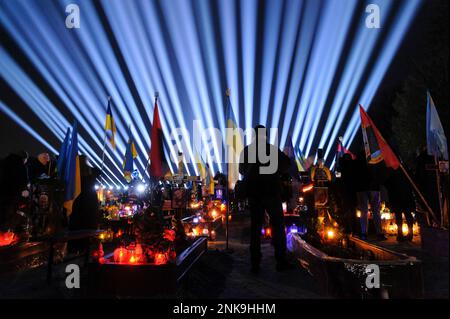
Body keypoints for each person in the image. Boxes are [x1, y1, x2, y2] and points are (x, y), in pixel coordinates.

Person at [239, 125, 291, 273]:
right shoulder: (273, 150)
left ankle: (255, 264)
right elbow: (286, 165)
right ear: (266, 135)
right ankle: (280, 261)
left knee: (255, 229)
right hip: (271, 192)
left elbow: (241, 170)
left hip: (255, 194)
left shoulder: (248, 150)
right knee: (278, 226)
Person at [354, 151, 387, 241]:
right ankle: (379, 233)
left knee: (364, 211)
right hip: (373, 187)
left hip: (361, 187)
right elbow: (380, 171)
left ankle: (364, 233)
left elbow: (355, 174)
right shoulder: (375, 158)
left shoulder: (358, 160)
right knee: (376, 211)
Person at [385, 167, 415, 242]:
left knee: (401, 215)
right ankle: (405, 234)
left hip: (398, 195)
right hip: (404, 194)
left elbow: (387, 183)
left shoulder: (392, 171)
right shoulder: (405, 169)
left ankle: (402, 234)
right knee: (406, 214)